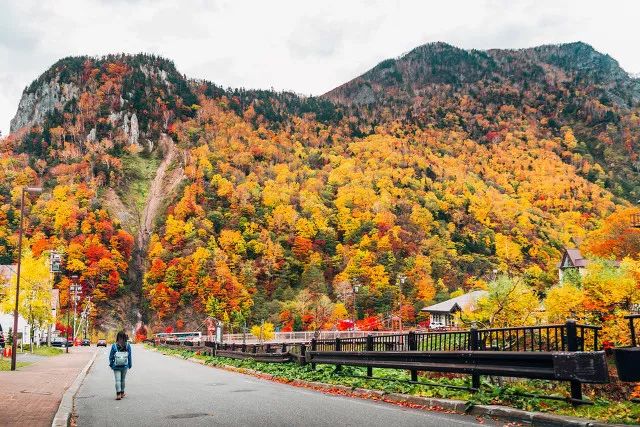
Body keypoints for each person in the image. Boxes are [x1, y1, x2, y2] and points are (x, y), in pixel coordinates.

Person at [109, 331, 132, 400]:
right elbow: (129, 356)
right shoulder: (127, 345)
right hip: (124, 365)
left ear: (117, 337)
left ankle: (118, 394)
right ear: (125, 337)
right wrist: (130, 365)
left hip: (116, 366)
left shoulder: (114, 345)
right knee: (123, 380)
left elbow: (111, 356)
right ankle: (122, 393)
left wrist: (111, 364)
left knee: (117, 380)